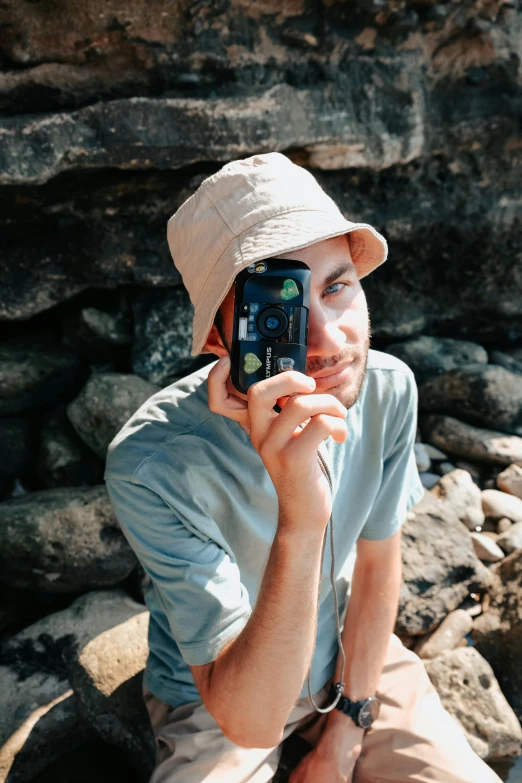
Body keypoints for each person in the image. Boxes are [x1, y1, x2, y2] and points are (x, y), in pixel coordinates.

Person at [104, 152, 501, 783]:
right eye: (278, 314)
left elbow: (376, 566)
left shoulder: (388, 388)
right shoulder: (153, 462)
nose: (327, 340)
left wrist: (347, 727)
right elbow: (250, 721)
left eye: (336, 286)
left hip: (351, 659)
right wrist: (302, 511)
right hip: (225, 690)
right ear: (217, 340)